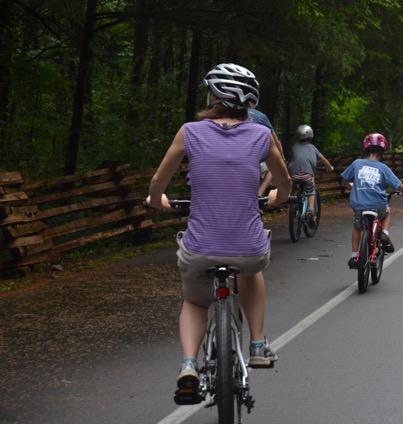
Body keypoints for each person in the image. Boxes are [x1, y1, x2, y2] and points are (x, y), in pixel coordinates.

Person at [146, 63, 291, 401]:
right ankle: (257, 345)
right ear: (249, 101)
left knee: (196, 301)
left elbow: (158, 181)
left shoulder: (190, 132)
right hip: (248, 249)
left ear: (212, 95)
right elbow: (283, 185)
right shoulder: (262, 135)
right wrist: (275, 198)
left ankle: (187, 366)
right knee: (251, 273)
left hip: (200, 248)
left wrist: (157, 201)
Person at [341, 133, 403, 268]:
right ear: (383, 151)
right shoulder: (383, 168)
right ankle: (384, 233)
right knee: (387, 212)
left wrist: (351, 185)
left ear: (365, 149)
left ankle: (355, 256)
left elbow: (345, 180)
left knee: (357, 227)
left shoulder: (356, 164)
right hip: (378, 205)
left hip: (360, 206)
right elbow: (398, 186)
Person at [287, 124, 334, 226]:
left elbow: (290, 160)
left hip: (294, 176)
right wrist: (330, 168)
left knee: (294, 189)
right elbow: (323, 159)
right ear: (311, 136)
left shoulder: (294, 147)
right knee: (311, 192)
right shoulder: (312, 147)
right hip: (307, 176)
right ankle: (311, 211)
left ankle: (293, 204)